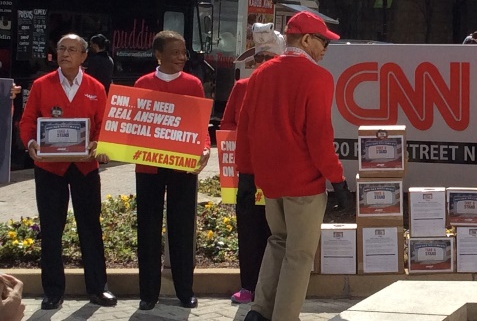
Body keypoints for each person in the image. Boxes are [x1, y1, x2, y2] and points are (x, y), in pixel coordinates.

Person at [237, 11, 349, 321]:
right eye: (323, 41)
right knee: (299, 256)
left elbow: (245, 129)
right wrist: (337, 180)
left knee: (278, 242)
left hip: (270, 181)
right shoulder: (319, 77)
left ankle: (258, 311)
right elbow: (319, 138)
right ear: (307, 39)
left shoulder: (260, 74)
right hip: (304, 182)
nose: (326, 48)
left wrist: (245, 176)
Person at [18, 34, 117, 310]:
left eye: (72, 50)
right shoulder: (41, 85)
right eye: (61, 48)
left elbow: (103, 124)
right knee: (51, 230)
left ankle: (98, 289)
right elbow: (27, 122)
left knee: (90, 227)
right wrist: (31, 143)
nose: (65, 53)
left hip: (85, 167)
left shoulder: (96, 87)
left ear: (84, 56)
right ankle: (53, 291)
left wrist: (98, 143)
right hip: (50, 168)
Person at [133, 31, 211, 311]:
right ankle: (148, 293)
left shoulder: (193, 84)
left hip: (183, 167)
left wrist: (204, 147)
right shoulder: (142, 83)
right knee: (148, 228)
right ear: (158, 54)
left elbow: (201, 127)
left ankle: (184, 291)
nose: (182, 57)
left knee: (182, 228)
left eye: (184, 52)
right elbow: (133, 124)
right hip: (149, 166)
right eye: (175, 52)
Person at [220, 24, 286, 304]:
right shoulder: (241, 86)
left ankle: (274, 289)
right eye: (258, 59)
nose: (262, 64)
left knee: (277, 232)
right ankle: (248, 285)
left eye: (268, 59)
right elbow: (226, 126)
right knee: (249, 229)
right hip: (248, 174)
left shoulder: (286, 90)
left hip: (278, 175)